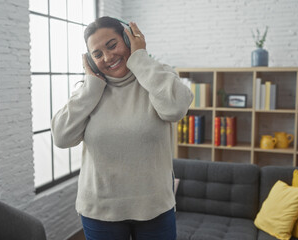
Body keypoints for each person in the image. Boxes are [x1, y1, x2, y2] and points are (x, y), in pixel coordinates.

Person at [51, 16, 193, 240]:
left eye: (112, 45)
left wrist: (140, 59)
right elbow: (61, 137)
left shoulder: (158, 76)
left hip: (154, 208)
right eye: (97, 54)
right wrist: (92, 88)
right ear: (90, 59)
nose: (107, 57)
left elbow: (175, 109)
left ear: (129, 40)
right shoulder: (88, 91)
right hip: (100, 211)